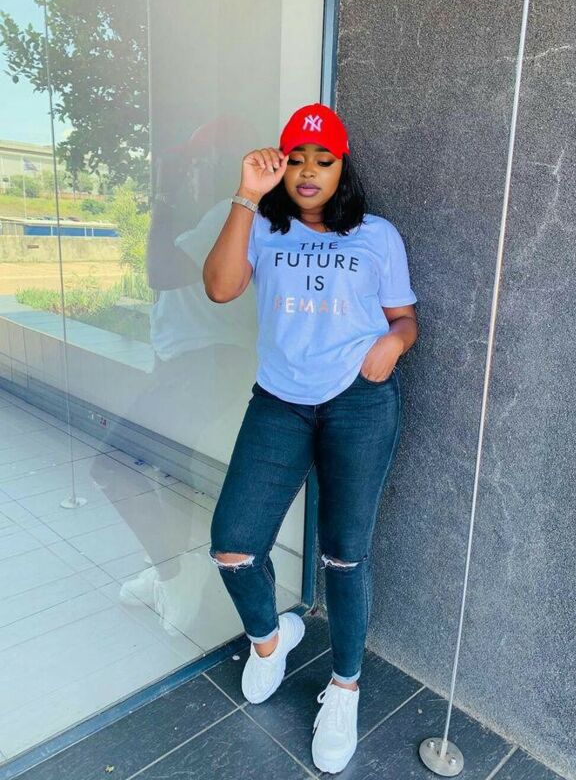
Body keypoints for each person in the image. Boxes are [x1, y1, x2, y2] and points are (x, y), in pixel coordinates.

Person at [204, 102, 418, 774]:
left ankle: (344, 690)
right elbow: (220, 289)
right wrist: (246, 193)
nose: (306, 171)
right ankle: (273, 640)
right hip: (280, 402)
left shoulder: (377, 235)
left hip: (358, 403)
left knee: (344, 556)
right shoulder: (264, 227)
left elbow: (405, 317)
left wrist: (393, 344)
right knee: (234, 545)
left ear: (341, 168)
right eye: (295, 158)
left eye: (322, 160)